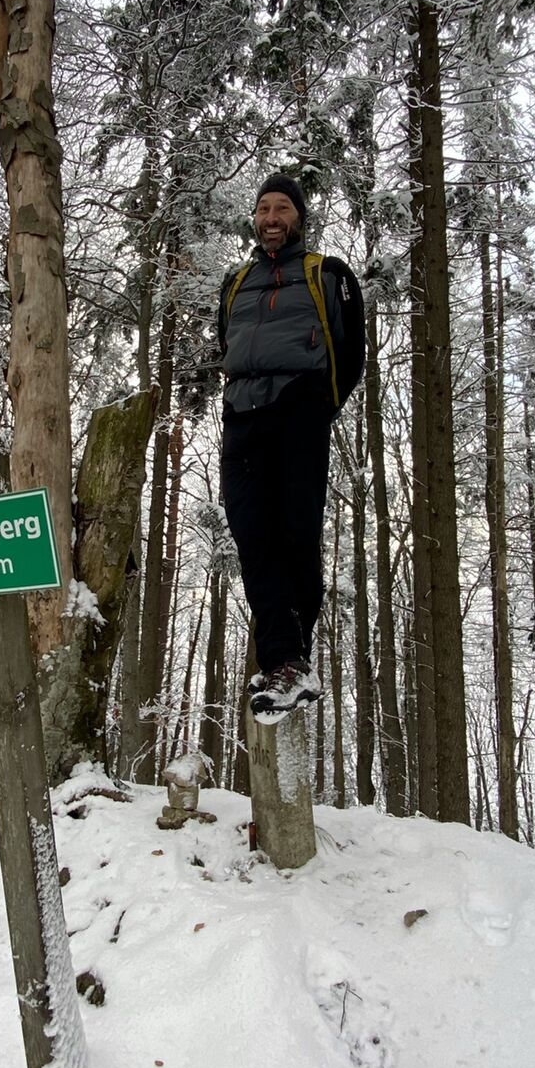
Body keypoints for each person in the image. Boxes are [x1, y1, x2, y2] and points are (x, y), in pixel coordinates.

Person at [217, 172, 365, 721]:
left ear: (299, 217)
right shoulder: (236, 282)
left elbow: (352, 354)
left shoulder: (329, 274)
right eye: (263, 209)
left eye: (282, 208)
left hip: (300, 409)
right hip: (241, 415)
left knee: (296, 533)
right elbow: (226, 341)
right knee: (251, 534)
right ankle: (288, 659)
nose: (271, 218)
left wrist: (316, 406)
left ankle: (285, 658)